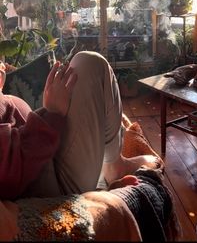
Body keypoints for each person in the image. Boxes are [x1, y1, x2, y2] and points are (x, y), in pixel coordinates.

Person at [0, 51, 158, 201]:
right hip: (46, 190)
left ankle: (109, 170)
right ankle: (114, 168)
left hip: (44, 163)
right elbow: (7, 173)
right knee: (89, 64)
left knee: (79, 69)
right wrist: (52, 113)